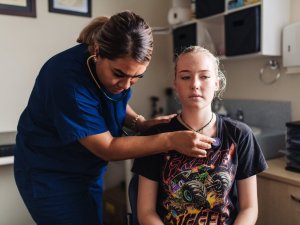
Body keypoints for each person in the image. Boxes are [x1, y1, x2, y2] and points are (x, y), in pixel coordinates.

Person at [13, 11, 215, 225]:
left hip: (88, 171)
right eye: (119, 74)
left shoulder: (116, 75)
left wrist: (139, 122)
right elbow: (106, 147)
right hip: (49, 175)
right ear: (98, 52)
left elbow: (111, 100)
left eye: (136, 77)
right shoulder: (65, 80)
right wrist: (170, 140)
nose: (126, 85)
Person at [132, 46, 268, 225]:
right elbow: (146, 212)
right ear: (175, 84)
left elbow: (249, 208)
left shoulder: (240, 135)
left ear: (217, 83)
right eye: (185, 77)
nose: (195, 84)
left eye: (204, 76)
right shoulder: (155, 137)